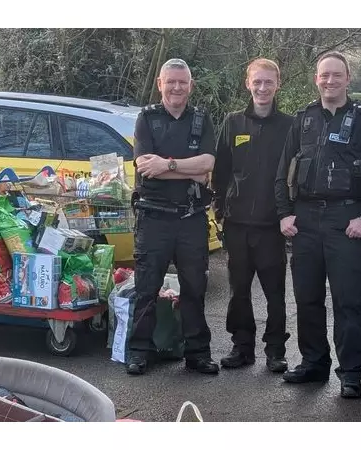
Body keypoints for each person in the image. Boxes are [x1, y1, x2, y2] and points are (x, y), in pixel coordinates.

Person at [274, 51, 361, 398]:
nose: (329, 81)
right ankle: (313, 363)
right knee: (307, 298)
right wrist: (284, 213)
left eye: (336, 75)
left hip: (346, 219)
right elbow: (282, 173)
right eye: (324, 75)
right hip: (306, 219)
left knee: (348, 302)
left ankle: (351, 373)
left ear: (347, 78)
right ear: (316, 79)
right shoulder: (305, 119)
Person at [127, 58, 219, 376]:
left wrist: (167, 166)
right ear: (160, 84)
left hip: (191, 218)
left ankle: (197, 354)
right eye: (171, 81)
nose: (177, 87)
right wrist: (187, 169)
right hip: (153, 219)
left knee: (195, 288)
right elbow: (144, 166)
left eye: (183, 82)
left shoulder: (201, 119)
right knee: (146, 289)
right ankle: (139, 351)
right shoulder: (147, 118)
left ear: (190, 85)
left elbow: (207, 163)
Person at [211, 58, 294, 373]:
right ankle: (241, 347)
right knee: (239, 291)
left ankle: (275, 351)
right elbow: (220, 171)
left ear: (277, 84)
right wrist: (220, 209)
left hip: (273, 226)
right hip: (237, 225)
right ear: (248, 84)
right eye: (257, 82)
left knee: (275, 293)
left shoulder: (290, 125)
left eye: (268, 82)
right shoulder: (233, 123)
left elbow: (293, 174)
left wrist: (289, 214)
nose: (262, 88)